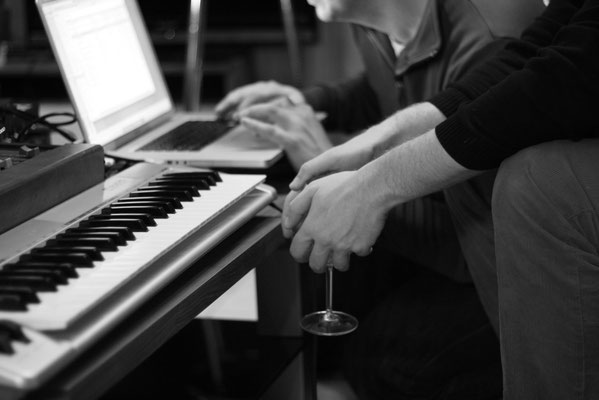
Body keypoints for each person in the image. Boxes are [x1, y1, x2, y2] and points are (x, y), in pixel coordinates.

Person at [219, 0, 543, 398]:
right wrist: (305, 105)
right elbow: (384, 92)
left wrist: (351, 186)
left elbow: (471, 247)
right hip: (452, 237)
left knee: (381, 360)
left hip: (504, 278)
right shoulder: (378, 22)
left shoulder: (489, 41)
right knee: (305, 297)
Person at [281, 0, 599, 398]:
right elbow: (524, 62)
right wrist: (369, 146)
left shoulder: (485, 32)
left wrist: (371, 187)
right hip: (467, 256)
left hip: (477, 267)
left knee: (531, 179)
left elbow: (566, 78)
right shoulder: (375, 33)